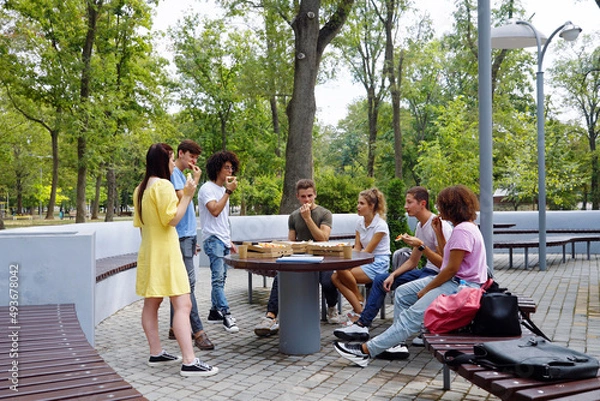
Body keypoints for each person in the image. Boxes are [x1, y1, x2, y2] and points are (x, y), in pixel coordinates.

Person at [333, 185, 489, 367]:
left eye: (441, 206)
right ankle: (396, 342)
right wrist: (438, 233)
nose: (438, 209)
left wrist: (426, 289)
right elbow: (448, 258)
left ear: (451, 207)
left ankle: (365, 351)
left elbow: (449, 269)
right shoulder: (465, 227)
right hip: (456, 281)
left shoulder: (462, 231)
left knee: (411, 316)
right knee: (403, 293)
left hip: (460, 286)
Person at [133, 143, 217, 377]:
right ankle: (189, 361)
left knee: (152, 304)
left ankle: (156, 352)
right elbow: (173, 220)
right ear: (163, 162)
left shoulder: (140, 188)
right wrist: (188, 195)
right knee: (183, 305)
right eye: (170, 160)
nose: (173, 165)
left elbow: (141, 227)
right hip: (167, 253)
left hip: (149, 252)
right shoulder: (163, 186)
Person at [333, 186, 453, 346]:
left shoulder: (440, 226)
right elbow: (412, 262)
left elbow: (446, 264)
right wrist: (393, 275)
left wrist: (422, 246)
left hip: (439, 276)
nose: (405, 206)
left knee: (404, 291)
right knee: (381, 280)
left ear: (422, 203)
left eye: (409, 202)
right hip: (425, 271)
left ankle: (407, 335)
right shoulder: (419, 226)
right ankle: (362, 324)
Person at [254, 179, 342, 337]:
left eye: (309, 196)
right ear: (297, 197)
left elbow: (323, 238)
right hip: (300, 257)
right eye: (303, 197)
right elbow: (291, 242)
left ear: (315, 194)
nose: (307, 200)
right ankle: (270, 316)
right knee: (280, 276)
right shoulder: (294, 216)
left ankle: (332, 307)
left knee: (329, 279)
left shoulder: (324, 213)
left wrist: (308, 219)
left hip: (321, 257)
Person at [167, 140, 214, 351]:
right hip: (178, 236)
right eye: (191, 156)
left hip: (187, 235)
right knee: (187, 286)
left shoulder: (180, 175)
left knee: (179, 283)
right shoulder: (174, 174)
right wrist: (195, 180)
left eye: (196, 158)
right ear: (181, 153)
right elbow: (182, 198)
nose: (194, 161)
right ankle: (197, 331)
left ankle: (173, 326)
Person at [331, 188, 391, 321]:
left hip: (378, 262)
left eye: (362, 203)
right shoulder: (359, 223)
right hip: (364, 259)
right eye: (358, 203)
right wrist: (343, 253)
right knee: (335, 277)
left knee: (341, 272)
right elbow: (357, 249)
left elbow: (367, 251)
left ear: (371, 206)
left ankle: (359, 302)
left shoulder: (380, 226)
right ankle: (359, 307)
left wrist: (348, 261)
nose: (358, 206)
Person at [198, 150, 240, 333]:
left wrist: (228, 240)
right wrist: (229, 192)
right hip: (212, 240)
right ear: (217, 168)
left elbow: (222, 219)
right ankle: (226, 313)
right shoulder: (207, 189)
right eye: (226, 167)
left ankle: (214, 312)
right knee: (217, 279)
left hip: (222, 239)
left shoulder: (223, 190)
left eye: (232, 168)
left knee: (221, 278)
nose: (230, 171)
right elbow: (214, 210)